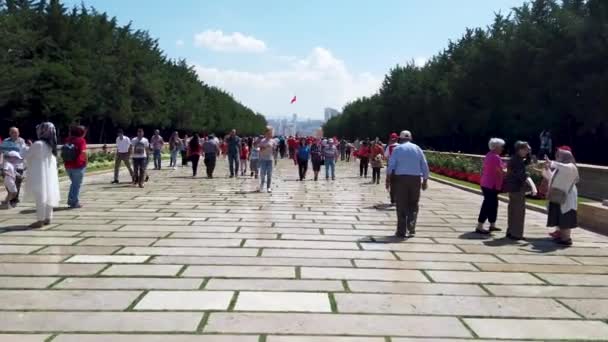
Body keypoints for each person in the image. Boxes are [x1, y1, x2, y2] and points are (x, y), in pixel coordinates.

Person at [386, 130, 429, 238]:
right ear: (410, 138)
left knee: (401, 204)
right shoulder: (417, 148)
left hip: (400, 179)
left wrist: (388, 179)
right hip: (415, 179)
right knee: (413, 204)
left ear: (400, 138)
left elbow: (391, 165)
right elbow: (424, 164)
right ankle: (411, 228)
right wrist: (425, 180)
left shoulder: (397, 149)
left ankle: (401, 231)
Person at [23, 122, 60, 228]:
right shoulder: (51, 146)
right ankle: (48, 217)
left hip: (39, 174)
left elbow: (26, 156)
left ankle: (40, 220)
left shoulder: (38, 144)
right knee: (48, 194)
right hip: (49, 175)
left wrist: (26, 148)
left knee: (40, 196)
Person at [544, 147, 579, 246]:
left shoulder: (571, 166)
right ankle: (562, 236)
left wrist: (551, 163)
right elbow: (551, 178)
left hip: (567, 197)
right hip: (559, 196)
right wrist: (547, 169)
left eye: (559, 155)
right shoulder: (561, 167)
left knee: (566, 218)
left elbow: (564, 167)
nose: (557, 157)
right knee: (561, 217)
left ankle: (566, 239)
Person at [504, 141, 537, 241]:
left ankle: (511, 231)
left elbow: (527, 162)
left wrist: (529, 155)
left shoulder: (515, 159)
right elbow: (523, 176)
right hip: (518, 189)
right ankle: (517, 234)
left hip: (512, 188)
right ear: (520, 149)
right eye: (526, 149)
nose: (528, 151)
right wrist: (533, 187)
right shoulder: (517, 161)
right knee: (519, 212)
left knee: (513, 210)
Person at [476, 138, 506, 234]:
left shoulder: (490, 155)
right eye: (501, 146)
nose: (502, 148)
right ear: (496, 147)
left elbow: (501, 167)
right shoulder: (495, 157)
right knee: (488, 205)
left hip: (487, 184)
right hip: (490, 185)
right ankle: (480, 226)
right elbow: (500, 170)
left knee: (493, 204)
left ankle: (492, 224)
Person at [0, 127, 28, 206]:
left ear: (18, 133)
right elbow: (2, 152)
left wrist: (25, 163)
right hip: (8, 164)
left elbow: (24, 152)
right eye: (12, 132)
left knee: (17, 182)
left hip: (19, 164)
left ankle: (14, 199)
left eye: (16, 132)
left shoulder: (21, 141)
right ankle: (11, 197)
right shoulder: (6, 141)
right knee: (9, 183)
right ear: (10, 133)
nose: (14, 134)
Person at [63, 125, 87, 209]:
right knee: (76, 184)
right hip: (78, 165)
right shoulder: (81, 140)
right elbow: (83, 153)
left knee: (74, 183)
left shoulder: (67, 139)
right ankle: (74, 202)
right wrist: (86, 162)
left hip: (68, 165)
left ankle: (71, 200)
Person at [258, 126, 276, 193]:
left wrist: (275, 158)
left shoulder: (273, 141)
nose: (269, 134)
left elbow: (274, 151)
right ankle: (262, 185)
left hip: (270, 160)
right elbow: (260, 150)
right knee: (262, 174)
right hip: (263, 159)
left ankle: (268, 187)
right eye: (267, 133)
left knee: (269, 174)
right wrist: (265, 147)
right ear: (265, 134)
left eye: (270, 133)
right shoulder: (262, 141)